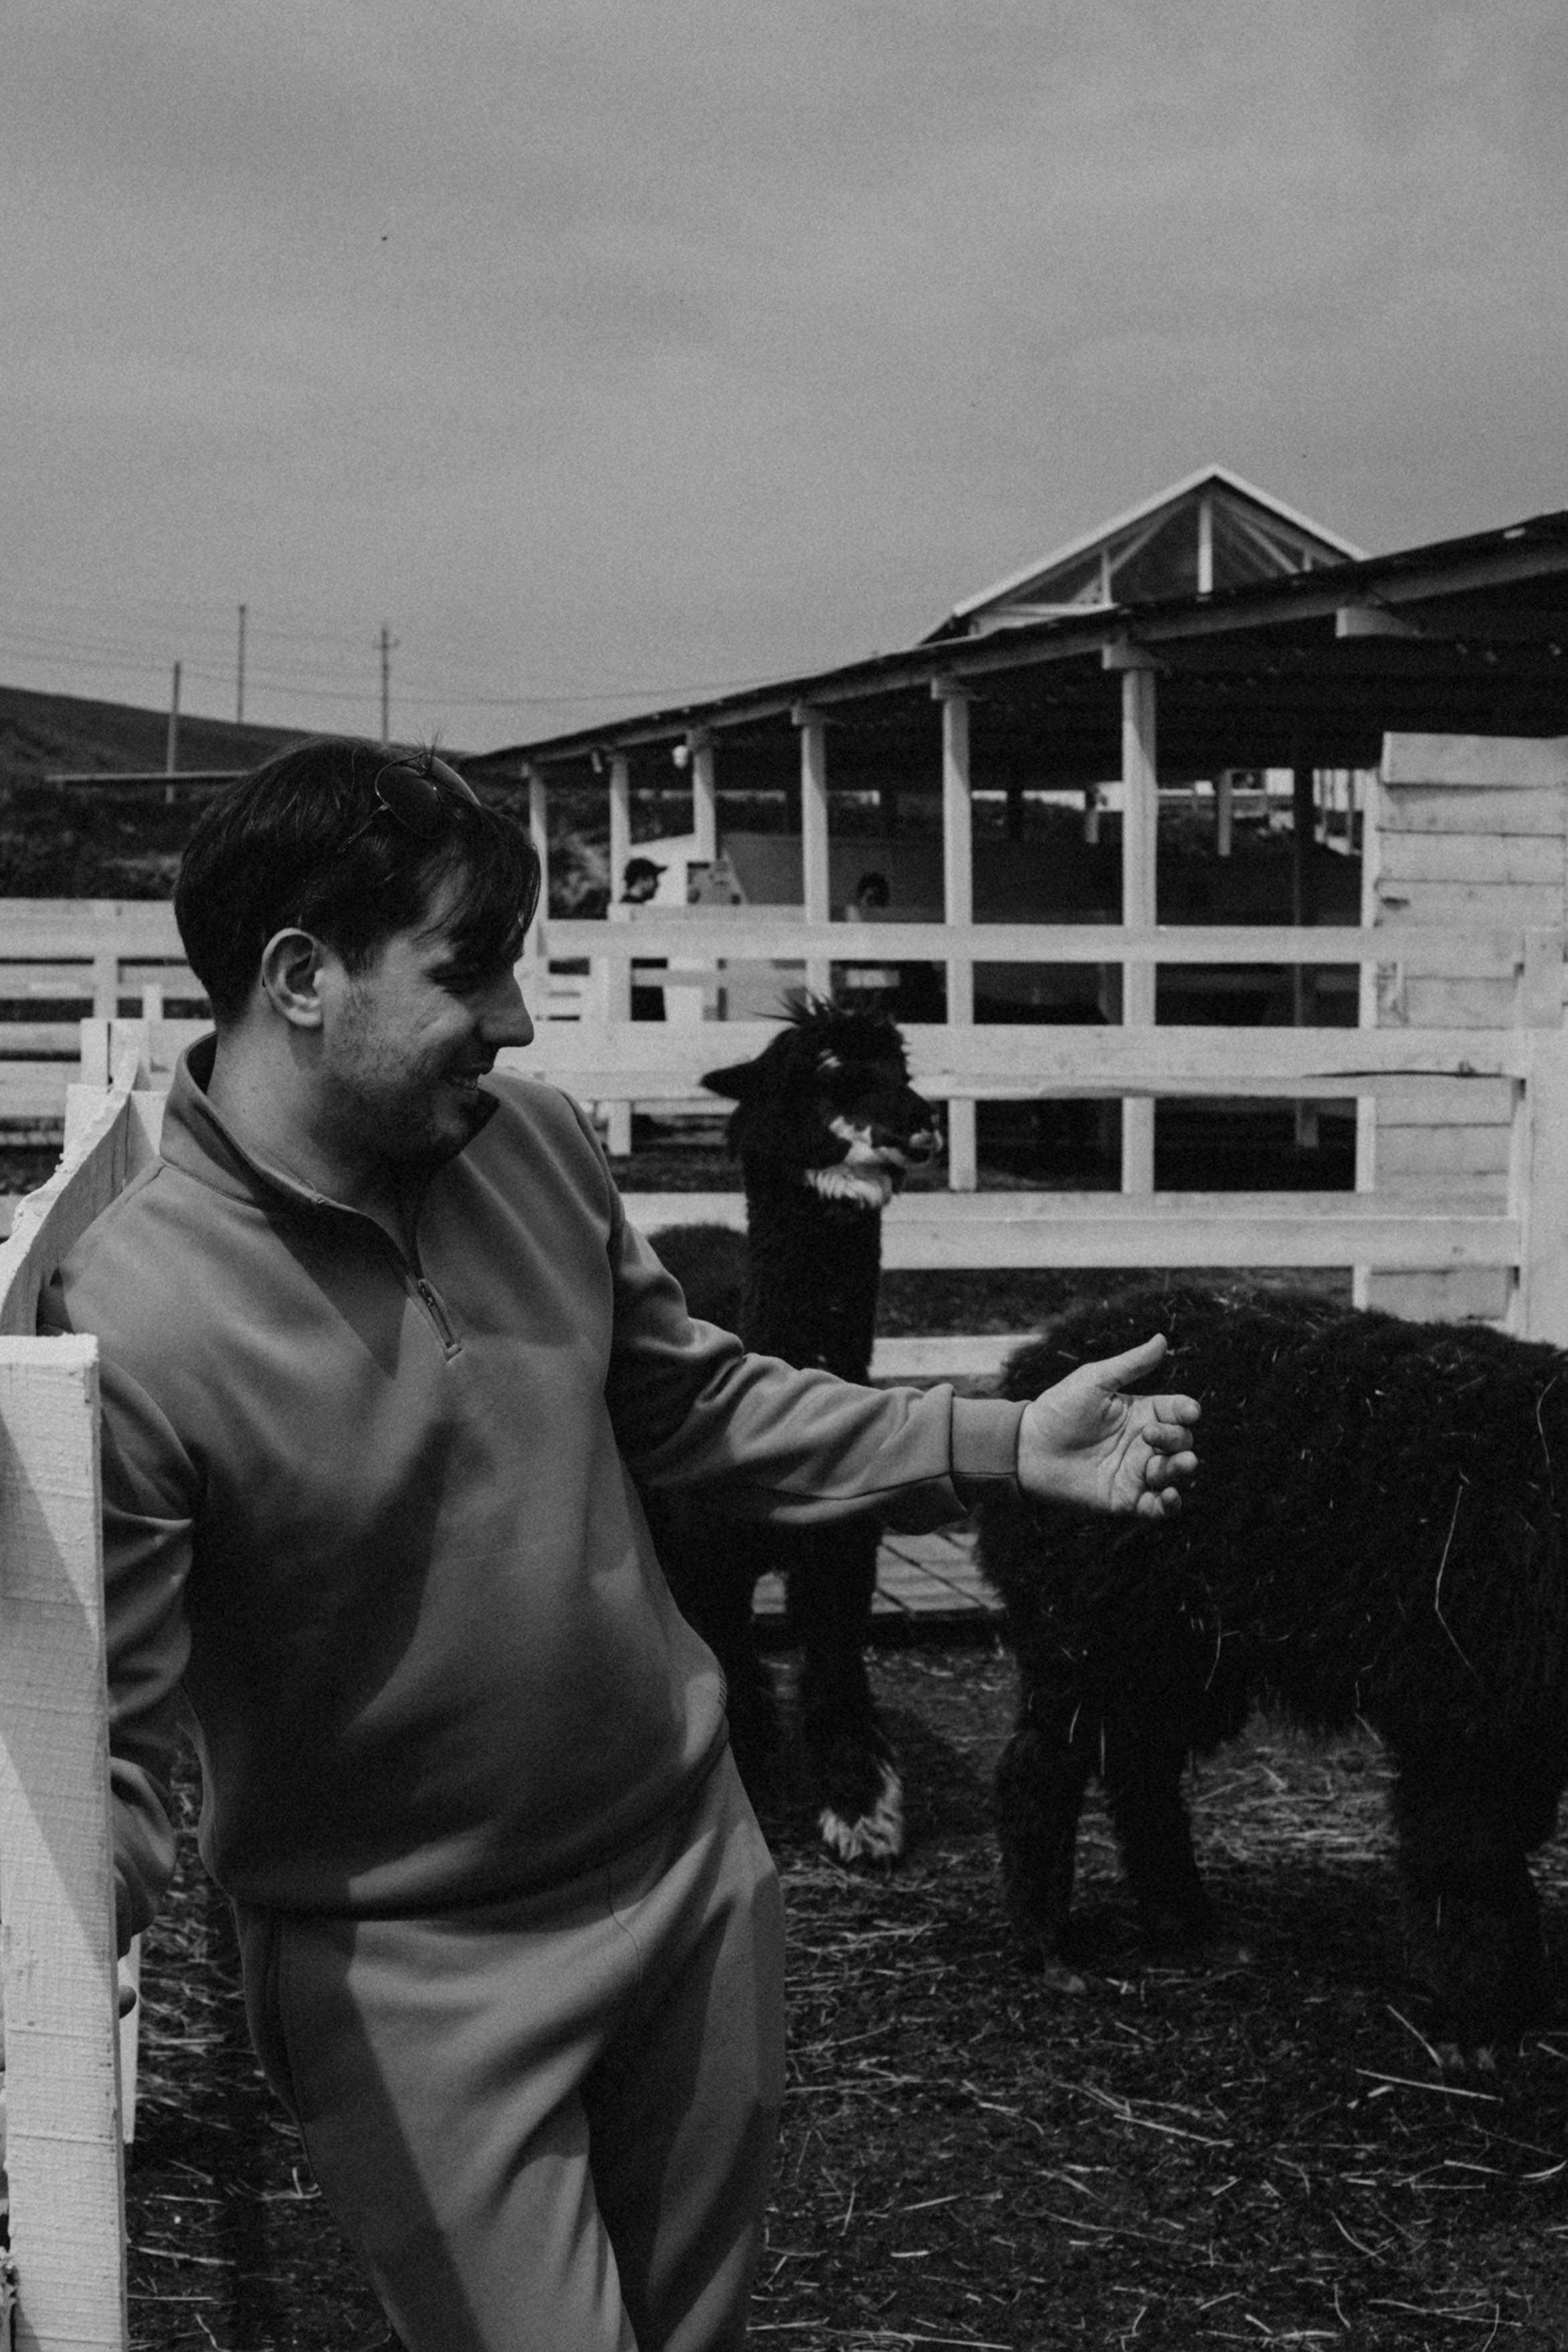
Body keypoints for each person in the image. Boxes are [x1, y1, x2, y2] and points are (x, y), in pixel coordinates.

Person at [47, 738, 1199, 2352]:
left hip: (693, 1881)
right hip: (412, 1984)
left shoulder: (527, 1146)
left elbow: (699, 1406)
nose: (514, 1022)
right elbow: (110, 1755)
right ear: (301, 977)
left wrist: (994, 1437)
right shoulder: (137, 1315)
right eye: (471, 970)